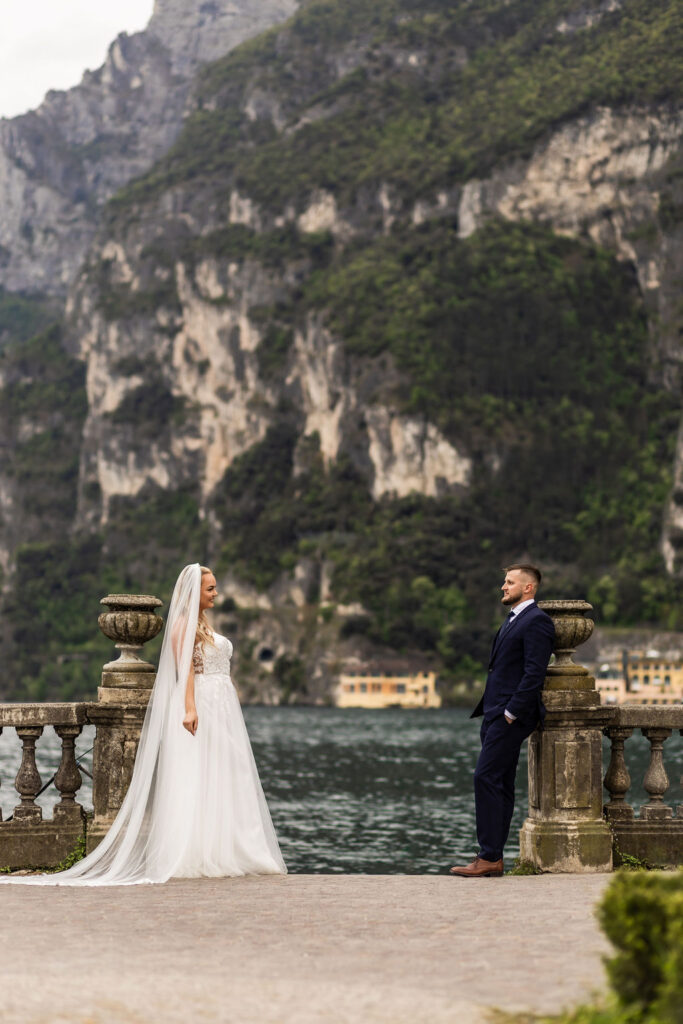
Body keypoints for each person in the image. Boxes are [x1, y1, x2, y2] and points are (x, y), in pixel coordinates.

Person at [1, 563, 286, 885]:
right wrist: (190, 709)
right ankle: (200, 851)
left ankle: (230, 847)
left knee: (227, 771)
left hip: (222, 705)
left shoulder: (203, 623)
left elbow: (221, 668)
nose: (216, 593)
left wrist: (232, 697)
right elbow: (186, 671)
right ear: (194, 593)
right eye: (210, 589)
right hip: (202, 702)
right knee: (201, 772)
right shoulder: (182, 625)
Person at [450, 564, 554, 878]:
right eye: (504, 581)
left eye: (509, 582)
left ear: (528, 588)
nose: (503, 586)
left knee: (485, 777)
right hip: (495, 712)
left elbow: (534, 673)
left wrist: (511, 712)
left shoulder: (537, 621)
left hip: (511, 715)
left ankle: (488, 855)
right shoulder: (514, 619)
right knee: (501, 783)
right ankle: (493, 858)